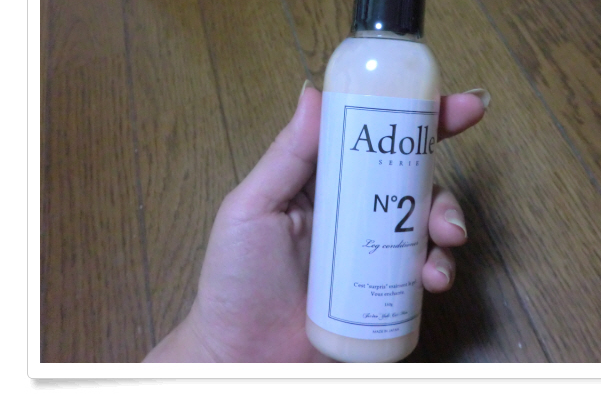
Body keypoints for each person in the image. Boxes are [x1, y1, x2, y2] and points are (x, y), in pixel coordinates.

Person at [144, 81, 489, 362]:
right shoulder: (363, 62)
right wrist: (211, 349)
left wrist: (212, 352)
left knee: (408, 205)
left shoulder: (396, 65)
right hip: (285, 331)